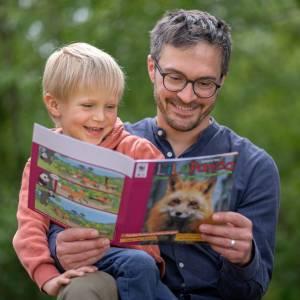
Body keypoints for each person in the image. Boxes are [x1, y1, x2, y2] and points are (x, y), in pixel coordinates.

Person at [51, 9, 280, 300]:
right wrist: (60, 247)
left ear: (222, 80)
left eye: (204, 83)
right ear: (151, 69)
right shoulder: (103, 144)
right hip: (124, 288)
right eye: (174, 77)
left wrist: (245, 259)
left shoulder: (255, 166)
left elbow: (252, 291)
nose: (187, 96)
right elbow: (49, 224)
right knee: (83, 287)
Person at [12, 42, 177, 300]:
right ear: (55, 105)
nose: (100, 117)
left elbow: (166, 207)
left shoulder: (137, 150)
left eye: (110, 107)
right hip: (88, 256)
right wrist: (48, 277)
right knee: (139, 265)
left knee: (151, 277)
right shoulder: (43, 161)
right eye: (88, 106)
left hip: (138, 262)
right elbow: (29, 228)